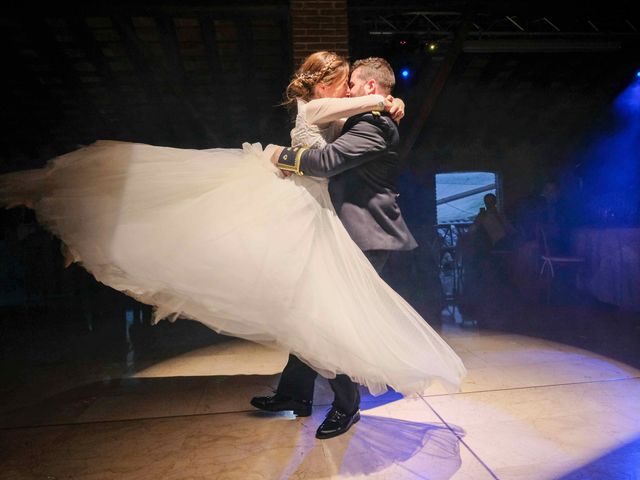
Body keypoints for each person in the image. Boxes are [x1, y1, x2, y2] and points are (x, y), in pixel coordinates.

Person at [0, 51, 466, 437]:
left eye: (352, 86)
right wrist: (385, 101)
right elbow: (328, 133)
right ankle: (296, 393)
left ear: (364, 88)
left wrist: (381, 105)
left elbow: (324, 164)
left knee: (322, 316)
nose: (346, 92)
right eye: (341, 84)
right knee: (306, 311)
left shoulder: (371, 121)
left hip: (356, 229)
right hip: (315, 217)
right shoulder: (335, 110)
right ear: (324, 85)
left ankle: (344, 402)